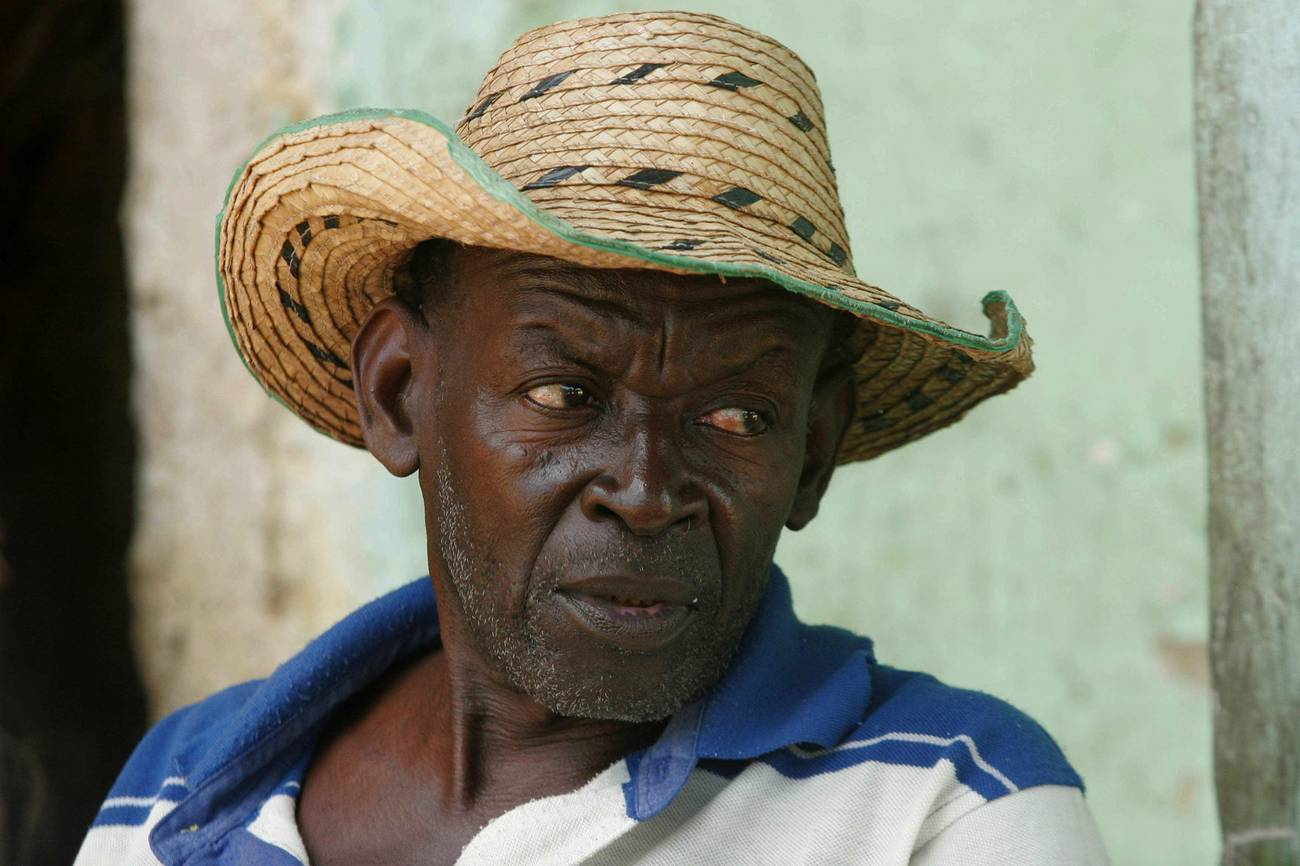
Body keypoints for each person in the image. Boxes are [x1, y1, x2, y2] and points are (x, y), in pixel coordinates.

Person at [76, 11, 1108, 865]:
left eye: (737, 415)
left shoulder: (950, 803)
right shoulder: (180, 792)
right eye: (564, 391)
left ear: (815, 449)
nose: (646, 488)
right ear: (399, 394)